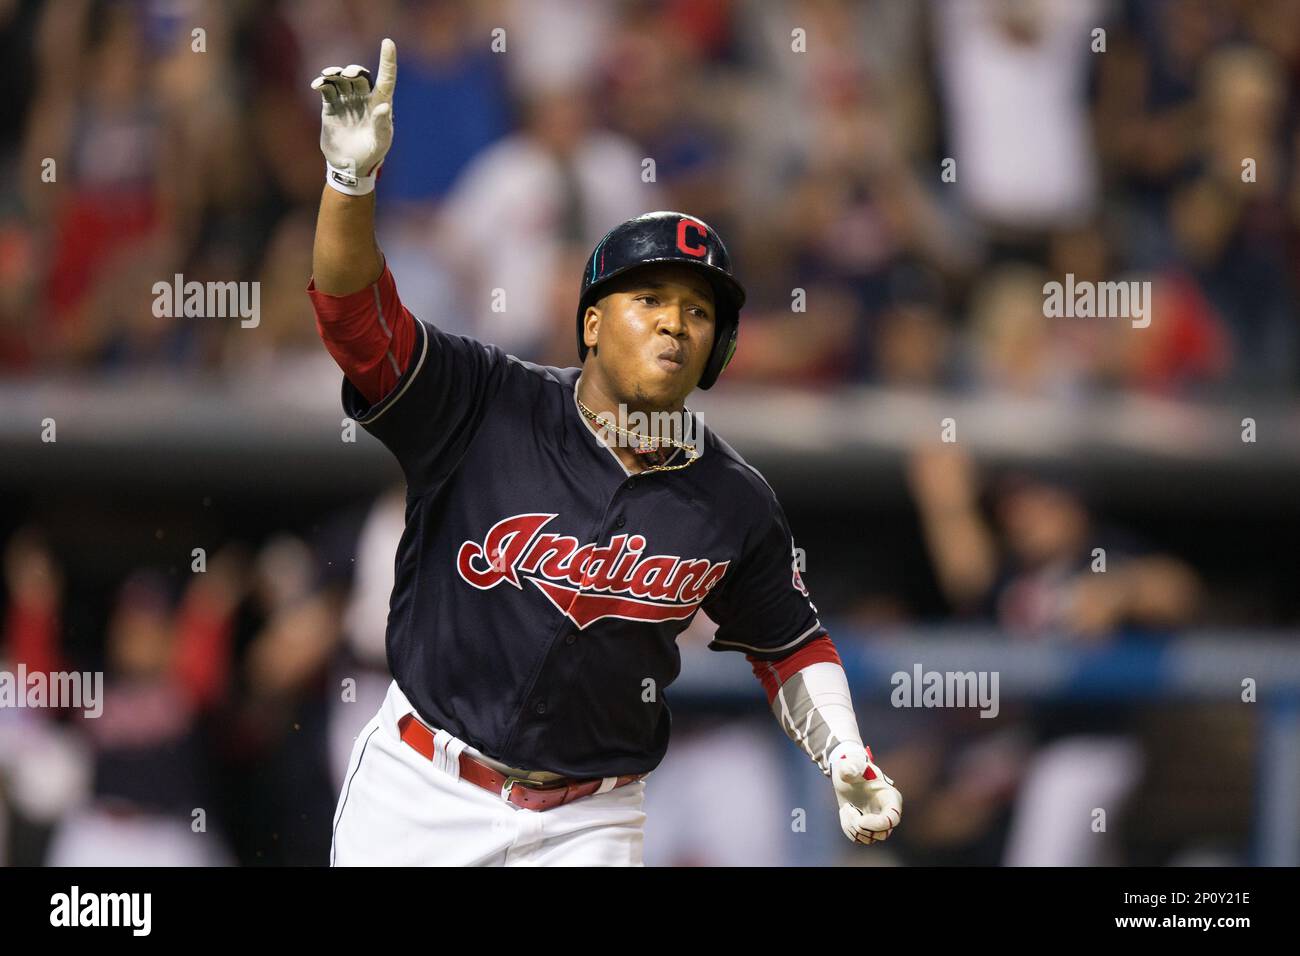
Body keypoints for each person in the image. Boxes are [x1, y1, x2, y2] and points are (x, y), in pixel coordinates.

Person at [309, 39, 901, 866]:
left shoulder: (730, 499)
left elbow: (790, 643)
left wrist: (845, 752)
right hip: (424, 789)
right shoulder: (488, 401)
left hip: (588, 822)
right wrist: (350, 187)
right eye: (649, 297)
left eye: (699, 313)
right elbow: (353, 320)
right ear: (590, 323)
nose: (674, 322)